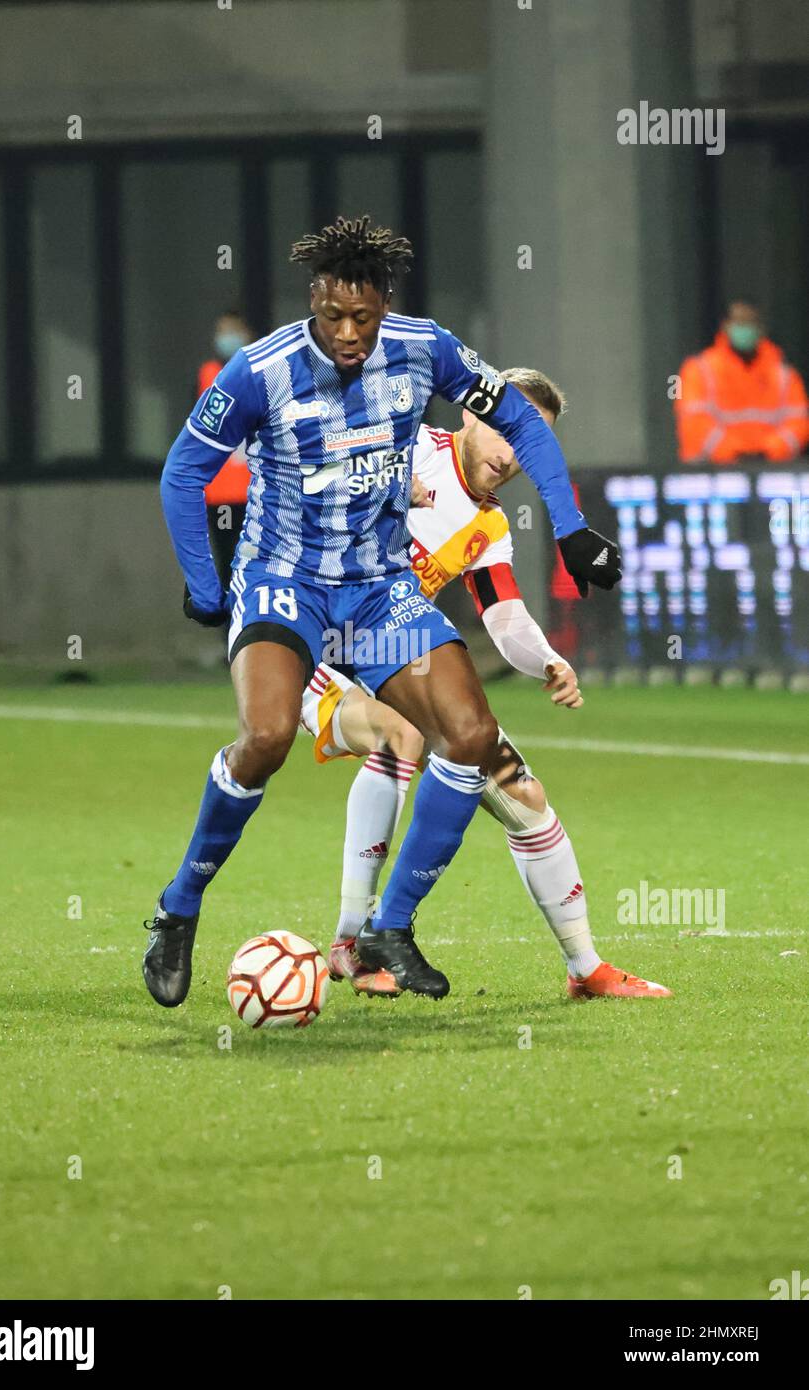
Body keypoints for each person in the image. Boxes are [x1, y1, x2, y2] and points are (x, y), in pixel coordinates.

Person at [143, 215, 621, 1007]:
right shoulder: (260, 371)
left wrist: (568, 529)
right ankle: (179, 908)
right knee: (264, 740)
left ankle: (385, 928)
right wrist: (205, 586)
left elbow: (522, 419)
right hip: (283, 580)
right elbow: (183, 472)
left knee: (469, 735)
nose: (348, 334)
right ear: (314, 302)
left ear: (384, 308)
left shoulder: (425, 347)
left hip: (377, 588)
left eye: (362, 318)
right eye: (332, 316)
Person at [300, 368, 670, 1000]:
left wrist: (549, 659)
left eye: (526, 444)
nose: (509, 452)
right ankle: (351, 941)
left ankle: (586, 970)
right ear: (471, 414)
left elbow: (504, 618)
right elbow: (311, 478)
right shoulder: (408, 446)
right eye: (504, 429)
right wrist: (384, 487)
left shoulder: (490, 526)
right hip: (322, 653)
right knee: (402, 734)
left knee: (526, 799)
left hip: (404, 668)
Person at [675, 301, 809, 463]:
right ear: (725, 326)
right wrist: (734, 454)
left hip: (770, 472)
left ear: (761, 328)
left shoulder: (785, 376)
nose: (745, 329)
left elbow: (798, 424)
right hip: (711, 474)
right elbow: (694, 423)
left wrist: (768, 452)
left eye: (750, 322)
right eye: (739, 322)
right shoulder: (698, 370)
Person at [196, 311, 255, 587]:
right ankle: (231, 628)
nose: (227, 338)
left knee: (255, 565)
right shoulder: (206, 375)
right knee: (226, 567)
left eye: (233, 330)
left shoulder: (259, 371)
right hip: (218, 494)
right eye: (222, 331)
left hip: (255, 493)